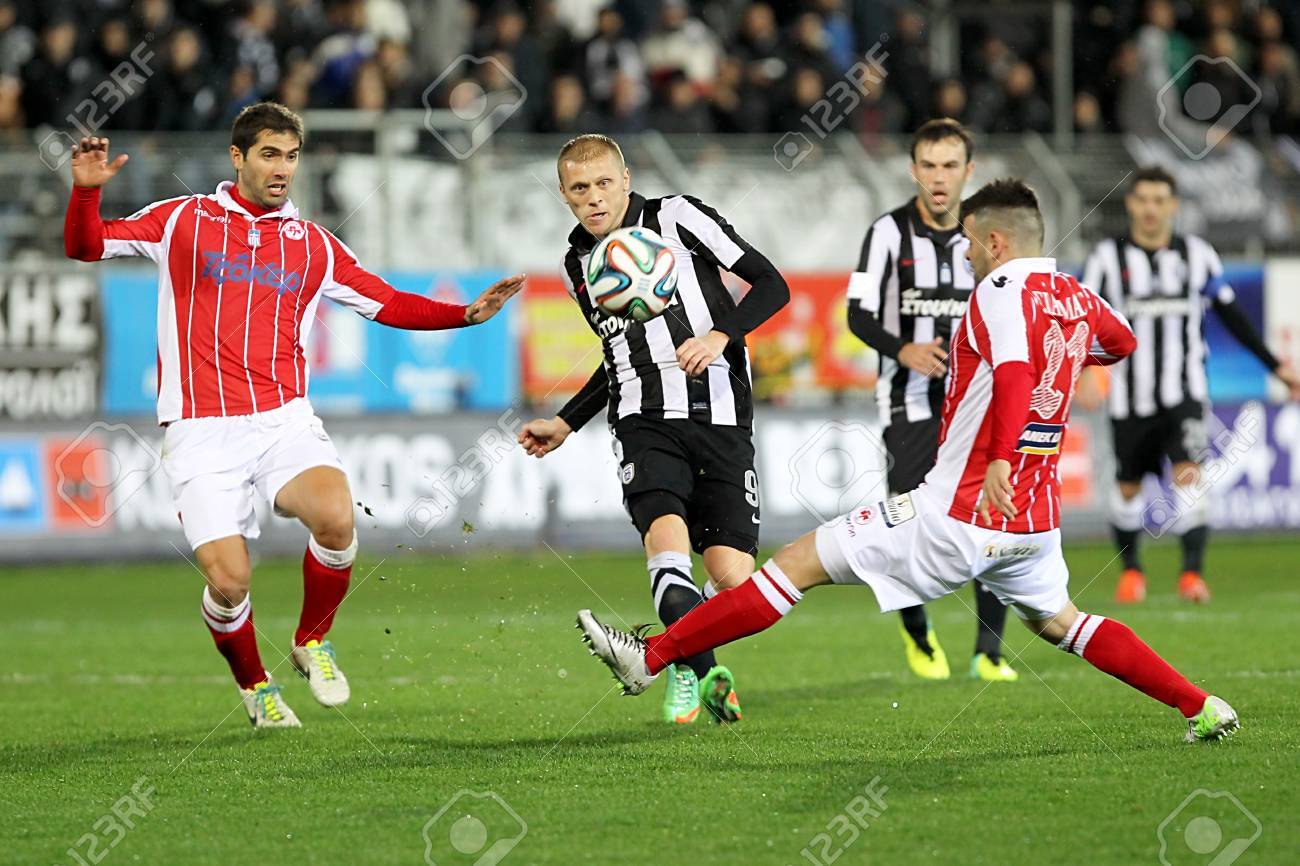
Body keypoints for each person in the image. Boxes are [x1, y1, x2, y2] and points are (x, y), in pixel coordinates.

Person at [578, 178, 1239, 745]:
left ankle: (653, 657)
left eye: (972, 243)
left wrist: (1004, 458)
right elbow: (1119, 342)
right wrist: (1066, 360)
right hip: (1033, 523)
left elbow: (1011, 375)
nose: (968, 255)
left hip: (962, 508)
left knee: (794, 567)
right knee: (1066, 623)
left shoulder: (1001, 292)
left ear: (997, 243)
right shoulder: (1071, 295)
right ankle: (1202, 706)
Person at [63, 102, 524, 728]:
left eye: (292, 156)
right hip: (201, 429)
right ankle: (255, 686)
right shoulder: (184, 220)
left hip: (283, 419)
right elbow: (87, 247)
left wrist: (463, 315)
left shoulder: (314, 244)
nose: (283, 168)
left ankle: (312, 641)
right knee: (230, 583)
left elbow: (385, 302)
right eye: (270, 154)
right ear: (238, 157)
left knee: (336, 518)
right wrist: (86, 195)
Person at [519, 133, 788, 725]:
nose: (594, 198)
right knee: (666, 548)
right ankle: (694, 677)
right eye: (580, 189)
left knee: (733, 578)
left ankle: (679, 657)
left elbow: (773, 284)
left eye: (604, 183)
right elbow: (616, 352)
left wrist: (721, 336)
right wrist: (568, 421)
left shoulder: (679, 216)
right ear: (564, 196)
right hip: (643, 419)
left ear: (626, 178)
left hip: (721, 414)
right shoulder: (577, 264)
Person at [1079, 166, 1300, 604]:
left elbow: (1232, 317)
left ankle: (1191, 576)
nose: (1150, 209)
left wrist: (1275, 366)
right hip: (1128, 397)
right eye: (1143, 200)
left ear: (1173, 206)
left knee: (1189, 476)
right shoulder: (1106, 259)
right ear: (1131, 204)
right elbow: (1082, 319)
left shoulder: (1197, 254)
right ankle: (1132, 572)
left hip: (1185, 393)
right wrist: (1085, 369)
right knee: (1127, 488)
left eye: (1160, 200)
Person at [847, 118, 1015, 682]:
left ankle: (988, 653)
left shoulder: (989, 237)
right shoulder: (887, 234)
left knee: (991, 515)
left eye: (950, 166)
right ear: (912, 169)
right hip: (909, 402)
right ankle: (918, 634)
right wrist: (904, 350)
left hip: (979, 401)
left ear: (969, 171)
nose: (939, 178)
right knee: (908, 520)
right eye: (929, 165)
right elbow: (858, 313)